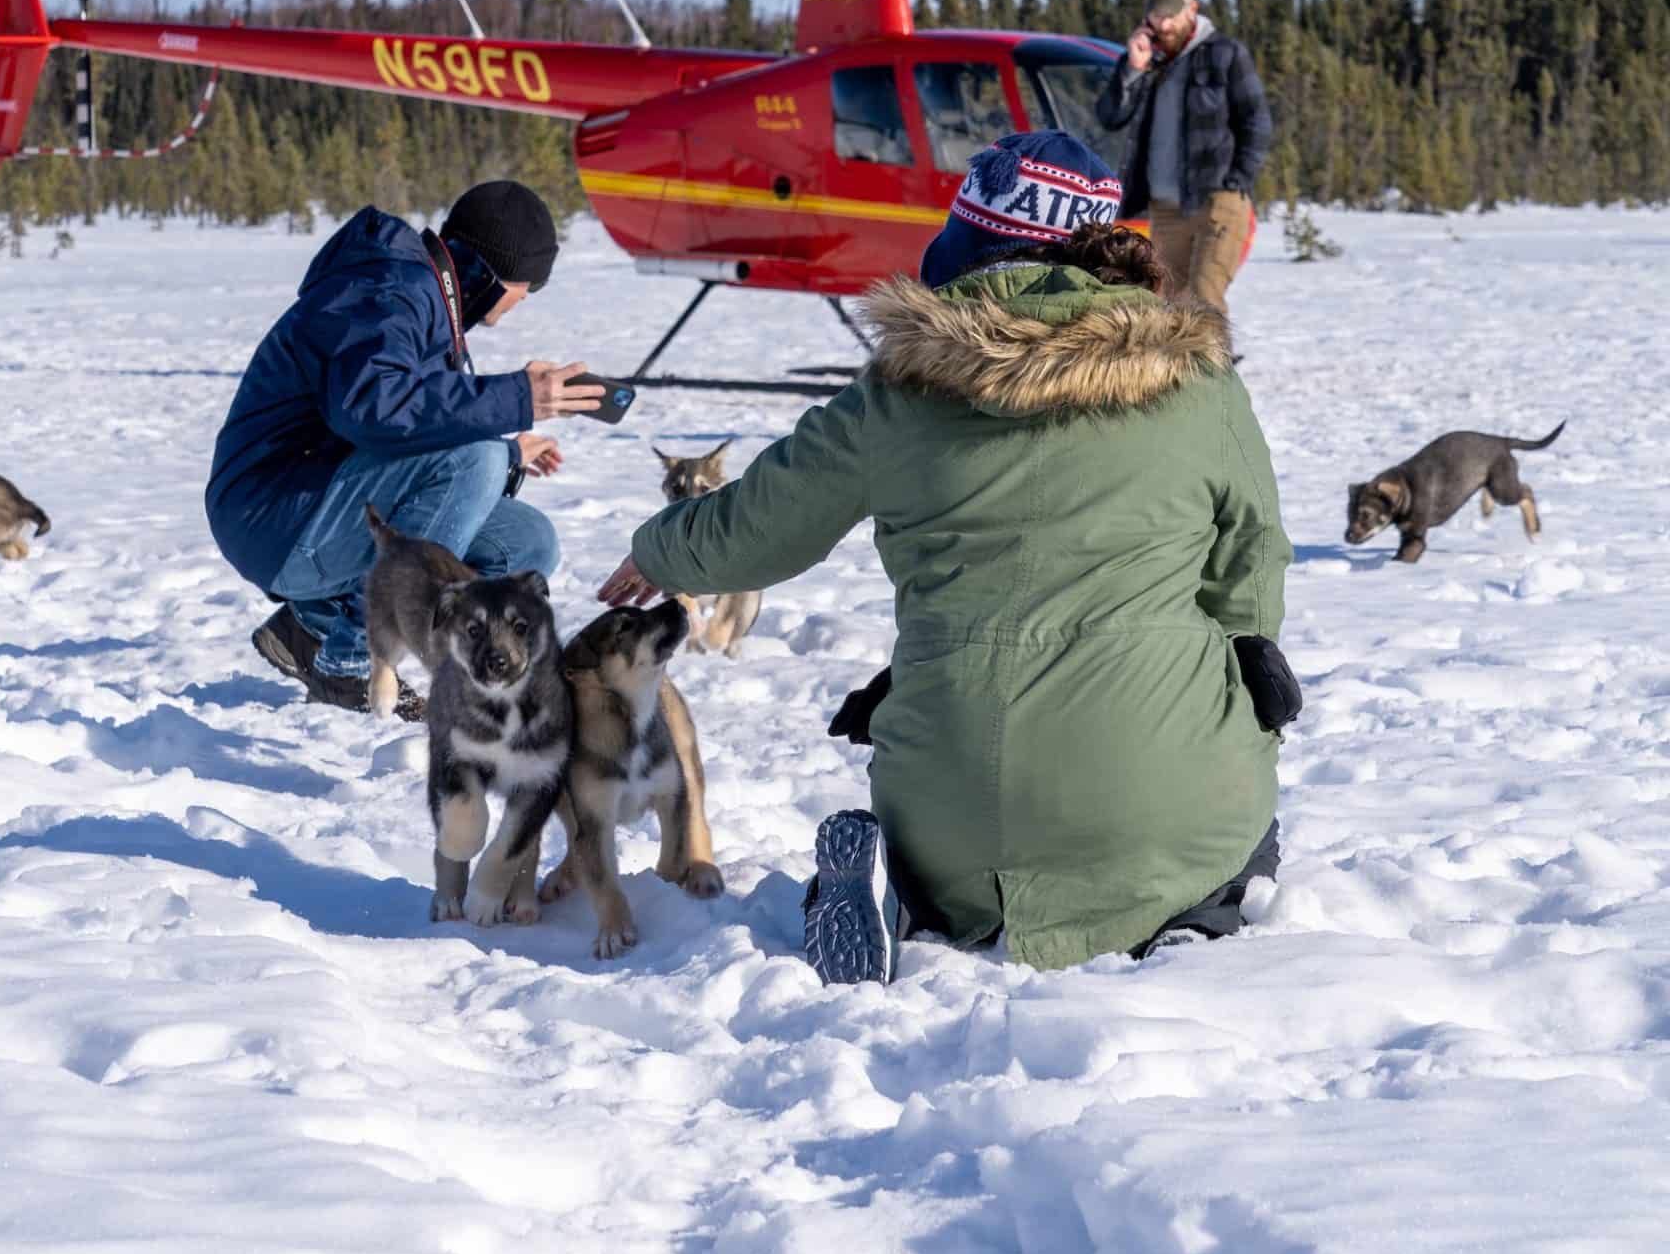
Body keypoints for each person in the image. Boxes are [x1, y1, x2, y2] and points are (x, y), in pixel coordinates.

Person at [600, 129, 1294, 985]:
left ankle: (907, 899)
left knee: (952, 832)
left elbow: (756, 525)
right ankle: (1193, 917)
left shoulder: (896, 395)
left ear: (966, 244)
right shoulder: (1200, 385)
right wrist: (1243, 655)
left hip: (956, 806)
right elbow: (1251, 559)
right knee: (1228, 819)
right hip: (1164, 795)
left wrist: (658, 550)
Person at [206, 182, 603, 709]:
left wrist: (509, 451)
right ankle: (349, 659)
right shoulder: (387, 290)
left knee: (527, 544)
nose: (526, 297)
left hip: (318, 498)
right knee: (477, 460)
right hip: (272, 513)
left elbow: (410, 432)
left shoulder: (420, 299)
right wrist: (513, 399)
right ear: (489, 271)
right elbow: (373, 406)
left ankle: (311, 627)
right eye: (526, 282)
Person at [1096, 0, 1272, 310]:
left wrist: (1237, 182)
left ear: (1192, 9)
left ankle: (1212, 364)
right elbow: (1109, 117)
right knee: (1169, 306)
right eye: (1157, 16)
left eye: (1171, 16)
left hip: (1217, 202)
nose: (1164, 26)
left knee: (1203, 300)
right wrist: (1132, 69)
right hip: (1165, 211)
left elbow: (1257, 121)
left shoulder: (1225, 54)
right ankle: (1184, 366)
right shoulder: (1146, 61)